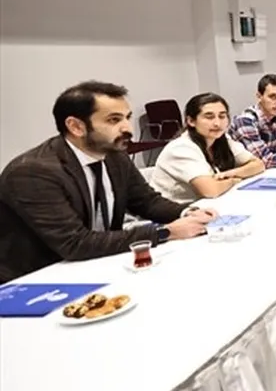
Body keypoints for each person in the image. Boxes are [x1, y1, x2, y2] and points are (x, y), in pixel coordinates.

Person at [0, 81, 215, 283]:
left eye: (127, 118)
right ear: (76, 126)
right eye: (114, 120)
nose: (128, 129)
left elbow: (147, 202)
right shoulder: (32, 172)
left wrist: (187, 213)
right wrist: (165, 232)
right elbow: (74, 243)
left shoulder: (114, 156)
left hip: (96, 262)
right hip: (39, 279)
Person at [149, 93, 266, 203]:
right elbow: (210, 191)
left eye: (222, 116)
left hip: (208, 204)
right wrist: (234, 180)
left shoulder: (221, 139)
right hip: (176, 210)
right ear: (191, 121)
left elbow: (258, 164)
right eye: (209, 117)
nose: (217, 123)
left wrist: (231, 173)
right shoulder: (181, 148)